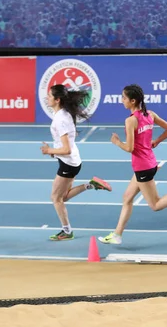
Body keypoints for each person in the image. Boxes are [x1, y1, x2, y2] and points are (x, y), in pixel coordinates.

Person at [98, 84, 167, 245]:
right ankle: (117, 234)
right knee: (127, 197)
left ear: (133, 101)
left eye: (124, 97)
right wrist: (156, 141)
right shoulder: (150, 114)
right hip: (148, 163)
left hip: (143, 166)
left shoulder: (131, 121)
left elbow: (129, 148)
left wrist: (116, 142)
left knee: (155, 204)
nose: (121, 100)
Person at [40, 84, 112, 241]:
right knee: (63, 197)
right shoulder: (64, 114)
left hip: (68, 163)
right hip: (72, 162)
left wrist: (49, 151)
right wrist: (54, 152)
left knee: (56, 198)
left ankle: (67, 231)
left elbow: (66, 149)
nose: (47, 98)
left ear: (57, 99)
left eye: (49, 96)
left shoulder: (61, 119)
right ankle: (91, 185)